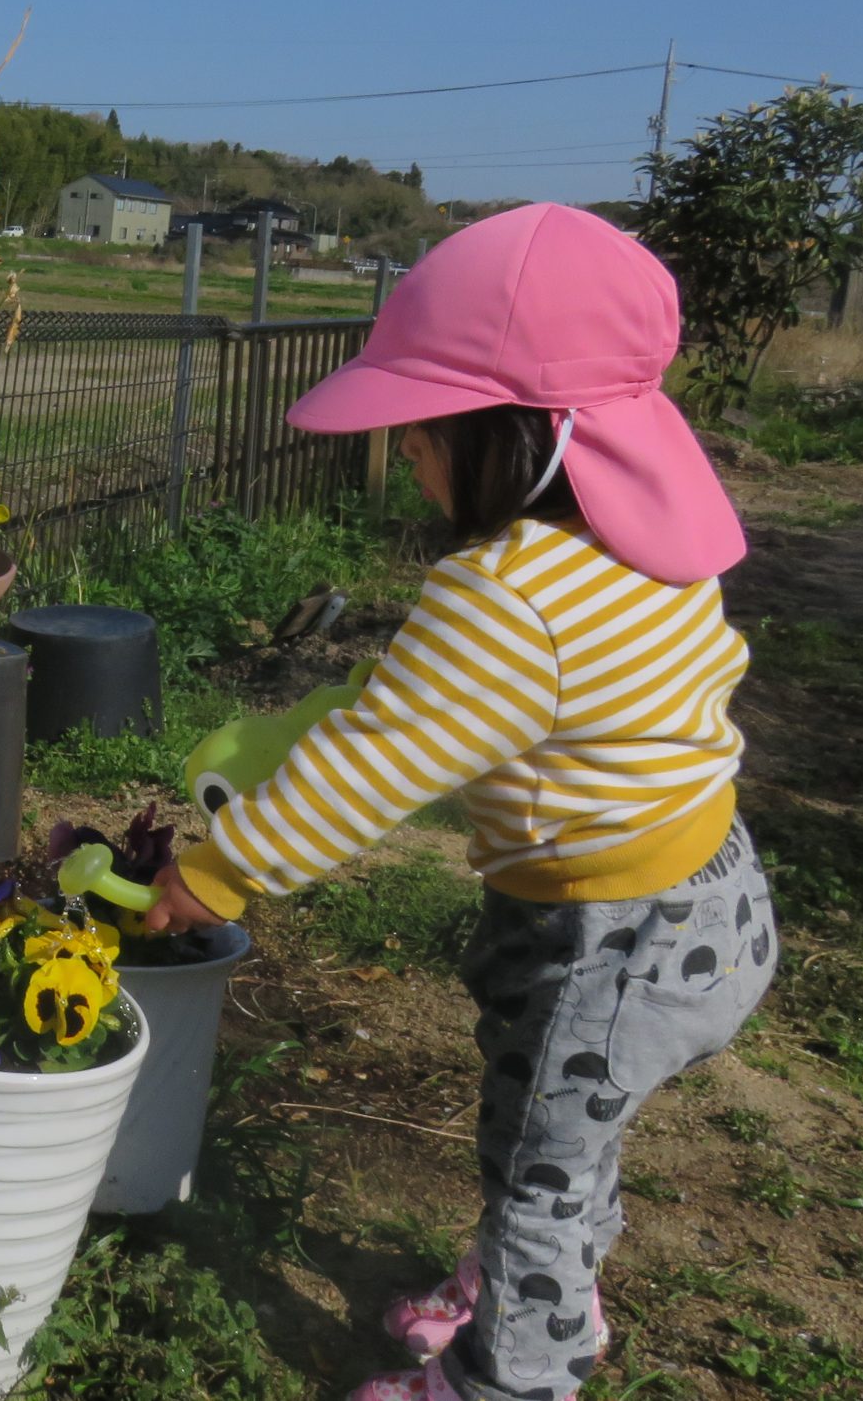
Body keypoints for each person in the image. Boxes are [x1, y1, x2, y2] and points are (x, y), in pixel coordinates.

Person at [141, 204, 778, 1401]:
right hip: (707, 901)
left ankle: (512, 1373)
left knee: (539, 1163)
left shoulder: (502, 595)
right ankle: (539, 1289)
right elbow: (454, 710)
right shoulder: (642, 538)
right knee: (566, 1132)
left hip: (607, 936)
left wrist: (216, 872)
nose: (410, 458)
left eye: (425, 433)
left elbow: (373, 765)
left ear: (517, 438)